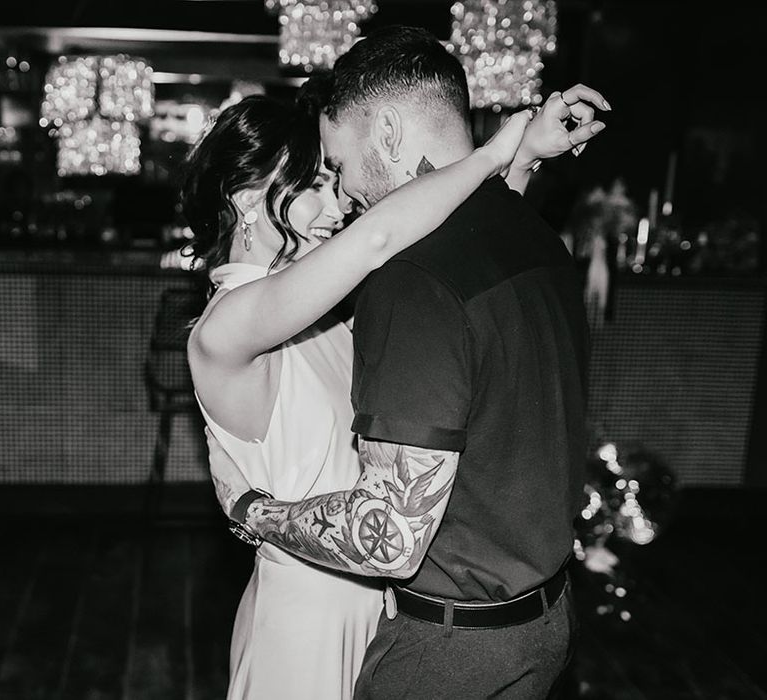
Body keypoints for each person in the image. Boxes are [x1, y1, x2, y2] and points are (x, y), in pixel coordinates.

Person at [205, 24, 609, 700]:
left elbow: (419, 256)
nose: (340, 199)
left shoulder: (389, 291)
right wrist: (496, 156)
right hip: (343, 623)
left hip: (416, 624)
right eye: (317, 181)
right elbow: (393, 241)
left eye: (337, 168)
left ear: (386, 131)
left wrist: (257, 511)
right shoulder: (530, 241)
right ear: (249, 200)